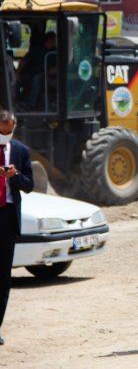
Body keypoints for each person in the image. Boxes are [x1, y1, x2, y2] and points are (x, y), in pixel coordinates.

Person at [0, 110, 34, 346]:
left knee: (3, 277)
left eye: (9, 130)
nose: (5, 134)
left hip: (8, 216)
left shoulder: (20, 151)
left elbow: (29, 185)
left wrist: (15, 175)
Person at [16, 31, 57, 109]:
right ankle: (16, 102)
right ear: (49, 40)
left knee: (37, 79)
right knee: (18, 79)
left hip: (49, 76)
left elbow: (62, 64)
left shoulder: (57, 51)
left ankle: (31, 104)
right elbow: (24, 60)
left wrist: (56, 70)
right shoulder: (37, 49)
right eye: (55, 39)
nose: (56, 42)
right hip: (33, 74)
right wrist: (17, 73)